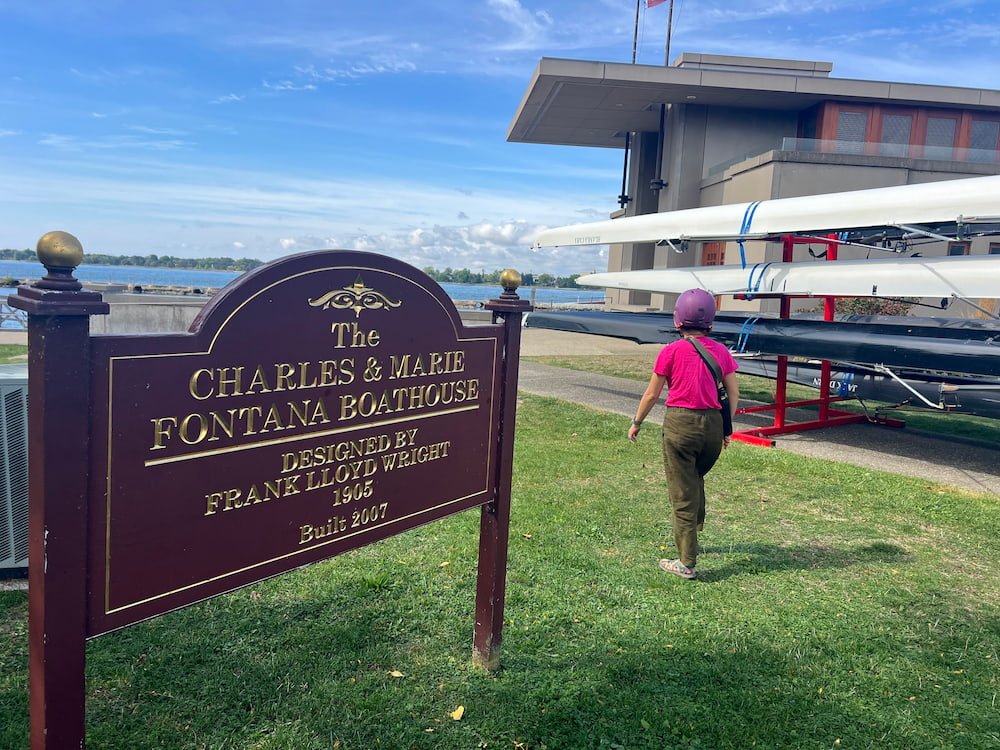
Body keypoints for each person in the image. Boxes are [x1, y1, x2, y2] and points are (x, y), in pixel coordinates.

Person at [627, 288, 739, 580]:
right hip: (713, 426)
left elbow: (652, 394)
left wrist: (637, 421)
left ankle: (686, 562)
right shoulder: (722, 352)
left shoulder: (670, 352)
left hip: (681, 425)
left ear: (678, 321)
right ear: (710, 322)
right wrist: (727, 428)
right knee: (695, 478)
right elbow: (733, 392)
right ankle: (694, 531)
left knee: (683, 493)